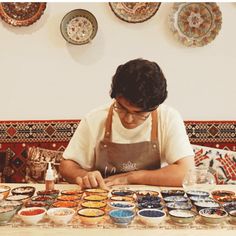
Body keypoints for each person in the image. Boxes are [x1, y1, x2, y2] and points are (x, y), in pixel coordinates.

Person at [60, 58, 194, 189]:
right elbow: (67, 165)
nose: (129, 119)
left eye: (139, 113)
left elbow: (186, 173)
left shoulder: (168, 117)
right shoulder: (95, 119)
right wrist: (85, 176)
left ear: (155, 106)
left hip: (149, 202)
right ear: (116, 97)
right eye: (122, 108)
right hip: (102, 197)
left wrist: (131, 177)